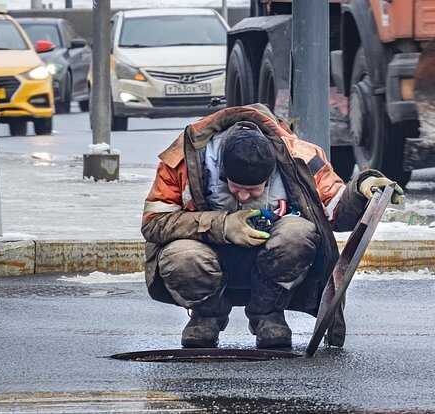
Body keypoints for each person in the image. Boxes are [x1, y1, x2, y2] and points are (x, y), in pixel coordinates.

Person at [141, 104, 403, 349]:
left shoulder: (301, 156)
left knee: (298, 232)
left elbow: (335, 210)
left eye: (253, 190)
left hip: (274, 261)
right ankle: (205, 318)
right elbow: (154, 223)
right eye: (236, 188)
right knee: (181, 255)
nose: (243, 197)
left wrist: (361, 189)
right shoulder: (185, 157)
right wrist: (222, 224)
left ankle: (268, 316)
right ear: (222, 171)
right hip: (207, 254)